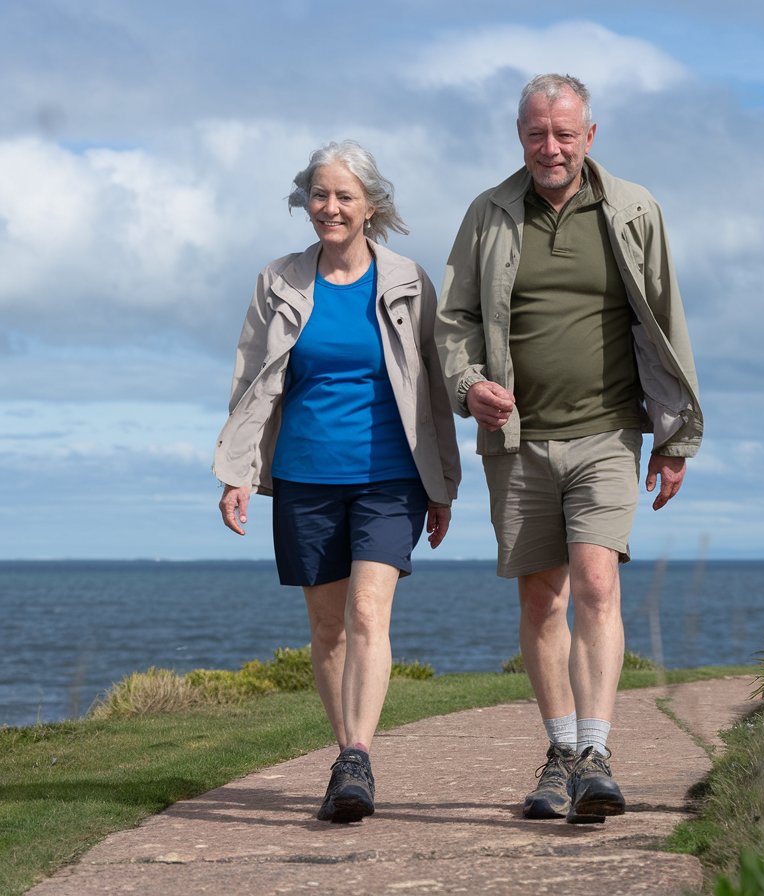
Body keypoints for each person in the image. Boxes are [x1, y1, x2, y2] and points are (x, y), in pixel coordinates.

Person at [436, 74, 702, 824]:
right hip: (517, 441)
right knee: (540, 596)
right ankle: (559, 755)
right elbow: (453, 322)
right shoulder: (488, 214)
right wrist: (467, 388)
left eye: (563, 133)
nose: (549, 147)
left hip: (610, 431)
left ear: (591, 135)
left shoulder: (635, 209)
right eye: (534, 134)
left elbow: (668, 321)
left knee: (596, 583)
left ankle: (597, 754)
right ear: (519, 135)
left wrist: (676, 434)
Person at [213, 140, 461, 824]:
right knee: (326, 629)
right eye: (319, 195)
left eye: (344, 196)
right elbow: (251, 383)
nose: (330, 207)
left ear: (371, 205)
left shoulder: (408, 280)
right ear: (306, 201)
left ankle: (355, 757)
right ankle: (345, 753)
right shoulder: (279, 281)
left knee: (366, 613)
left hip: (390, 474)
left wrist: (443, 484)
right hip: (303, 474)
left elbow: (434, 388)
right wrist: (237, 473)